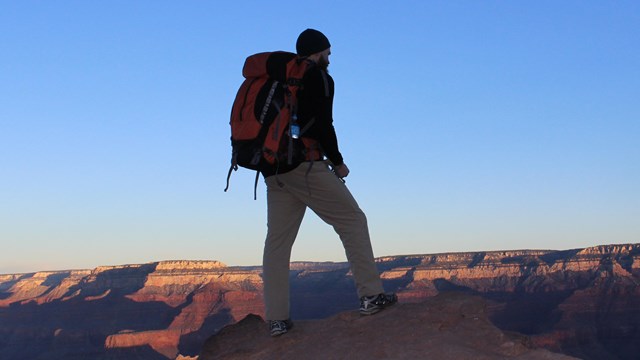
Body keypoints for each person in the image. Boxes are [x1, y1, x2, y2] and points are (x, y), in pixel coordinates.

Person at [261, 28, 397, 337]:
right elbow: (323, 124)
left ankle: (277, 320)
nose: (330, 59)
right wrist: (338, 162)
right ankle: (371, 296)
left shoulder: (275, 80)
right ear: (317, 52)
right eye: (328, 53)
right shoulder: (318, 77)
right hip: (305, 165)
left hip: (273, 169)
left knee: (278, 243)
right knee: (352, 220)